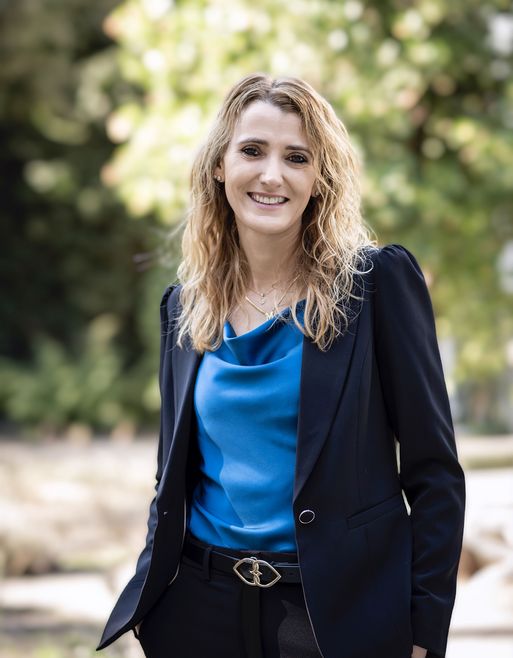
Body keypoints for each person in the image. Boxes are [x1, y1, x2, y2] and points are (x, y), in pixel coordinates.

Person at [97, 73, 465, 658]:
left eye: (296, 157)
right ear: (219, 167)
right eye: (252, 150)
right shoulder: (184, 309)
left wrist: (424, 633)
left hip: (333, 620)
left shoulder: (375, 287)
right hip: (197, 612)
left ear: (319, 180)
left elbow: (435, 475)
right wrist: (156, 605)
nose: (272, 175)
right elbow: (170, 479)